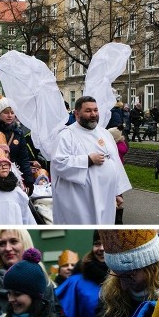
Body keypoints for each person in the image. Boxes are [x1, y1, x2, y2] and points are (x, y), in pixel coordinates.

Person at [51, 96, 130, 224]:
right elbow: (59, 163)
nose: (93, 114)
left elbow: (115, 162)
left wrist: (117, 192)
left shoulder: (105, 134)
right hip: (79, 200)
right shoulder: (66, 135)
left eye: (95, 110)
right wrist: (88, 160)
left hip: (105, 196)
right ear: (77, 113)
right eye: (88, 111)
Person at [55, 232, 109, 317]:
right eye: (97, 244)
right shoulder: (77, 281)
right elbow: (62, 315)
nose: (101, 248)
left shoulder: (123, 278)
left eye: (105, 243)